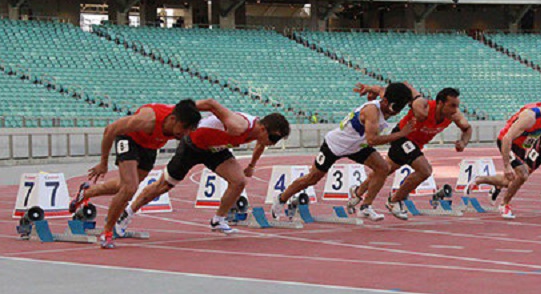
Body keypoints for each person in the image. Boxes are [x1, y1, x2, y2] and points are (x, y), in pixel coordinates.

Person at [119, 109, 290, 236]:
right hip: (192, 145)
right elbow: (212, 105)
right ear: (263, 129)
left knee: (239, 181)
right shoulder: (240, 125)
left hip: (215, 150)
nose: (273, 144)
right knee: (164, 185)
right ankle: (129, 211)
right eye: (273, 139)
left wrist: (252, 165)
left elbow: (261, 145)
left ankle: (218, 220)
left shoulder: (259, 134)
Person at [271, 82, 414, 222]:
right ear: (386, 101)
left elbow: (381, 89)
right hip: (335, 145)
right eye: (393, 108)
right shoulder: (372, 111)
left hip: (357, 146)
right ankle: (281, 198)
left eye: (399, 109)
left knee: (383, 168)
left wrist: (369, 88)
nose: (394, 112)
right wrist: (401, 134)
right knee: (312, 178)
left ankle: (365, 206)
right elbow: (372, 140)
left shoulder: (387, 98)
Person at [70, 99, 202, 249]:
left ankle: (87, 192)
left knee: (123, 186)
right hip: (129, 138)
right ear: (172, 119)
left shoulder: (181, 121)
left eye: (188, 130)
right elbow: (110, 130)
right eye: (183, 128)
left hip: (150, 146)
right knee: (130, 188)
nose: (184, 134)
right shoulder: (146, 120)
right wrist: (103, 163)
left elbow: (206, 104)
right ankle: (107, 232)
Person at [350, 86, 473, 220]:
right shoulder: (424, 106)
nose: (455, 110)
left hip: (415, 145)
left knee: (385, 169)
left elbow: (467, 128)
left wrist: (463, 142)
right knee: (425, 170)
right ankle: (394, 200)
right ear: (440, 103)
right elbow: (399, 93)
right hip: (402, 137)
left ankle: (357, 192)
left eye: (457, 106)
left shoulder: (454, 115)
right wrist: (370, 88)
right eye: (452, 106)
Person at [475, 99, 541, 219]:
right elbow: (507, 138)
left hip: (521, 146)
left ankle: (480, 180)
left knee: (509, 181)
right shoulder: (530, 117)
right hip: (508, 142)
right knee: (523, 174)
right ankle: (504, 204)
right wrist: (507, 166)